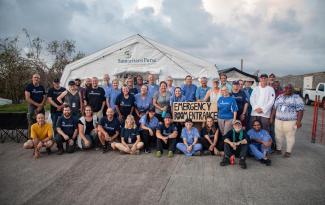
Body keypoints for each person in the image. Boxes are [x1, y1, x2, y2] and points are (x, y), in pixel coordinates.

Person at [271, 84, 304, 157]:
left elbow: (300, 110)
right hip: (278, 120)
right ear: (283, 89)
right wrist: (271, 118)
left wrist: (299, 121)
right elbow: (274, 108)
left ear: (292, 89)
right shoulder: (279, 97)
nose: (287, 89)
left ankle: (288, 151)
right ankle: (278, 149)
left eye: (289, 88)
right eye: (286, 88)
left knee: (290, 136)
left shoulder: (297, 98)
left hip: (290, 121)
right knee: (278, 136)